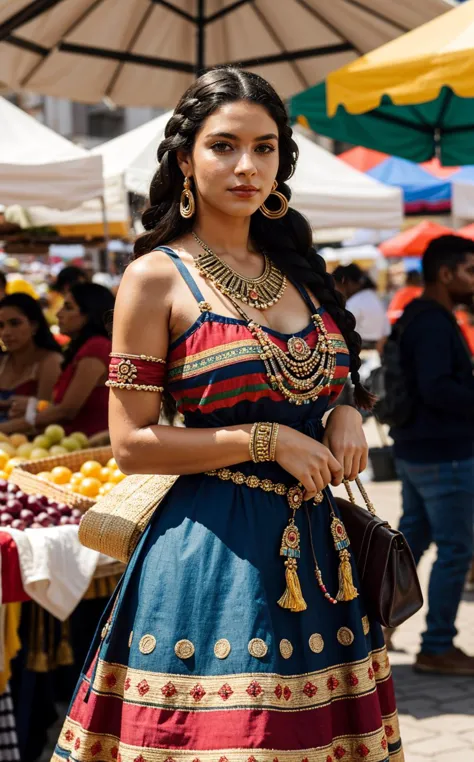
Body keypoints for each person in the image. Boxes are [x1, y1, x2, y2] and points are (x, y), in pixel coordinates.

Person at [53, 67, 404, 762]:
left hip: (320, 554)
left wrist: (344, 411)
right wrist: (262, 440)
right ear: (185, 159)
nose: (248, 166)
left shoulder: (299, 270)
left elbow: (328, 379)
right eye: (224, 146)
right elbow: (131, 443)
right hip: (213, 555)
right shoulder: (155, 277)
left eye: (265, 147)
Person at [391, 234, 474, 675]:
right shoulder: (432, 323)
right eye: (469, 271)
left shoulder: (423, 317)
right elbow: (437, 388)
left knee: (412, 543)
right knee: (456, 549)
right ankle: (437, 645)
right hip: (444, 454)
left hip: (420, 450)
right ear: (446, 273)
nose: (472, 280)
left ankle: (376, 627)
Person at [4, 283, 114, 437]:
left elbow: (66, 411)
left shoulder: (96, 347)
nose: (58, 314)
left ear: (89, 314)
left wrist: (6, 428)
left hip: (89, 446)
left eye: (68, 307)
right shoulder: (83, 348)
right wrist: (33, 405)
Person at [0, 293, 62, 424]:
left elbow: (45, 416)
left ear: (34, 325)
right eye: (1, 326)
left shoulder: (50, 362)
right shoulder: (2, 362)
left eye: (14, 323)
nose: (6, 332)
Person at [333, 263, 390, 354]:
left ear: (345, 282)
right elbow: (386, 332)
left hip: (359, 355)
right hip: (375, 355)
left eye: (336, 286)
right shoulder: (374, 297)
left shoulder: (353, 303)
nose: (335, 291)